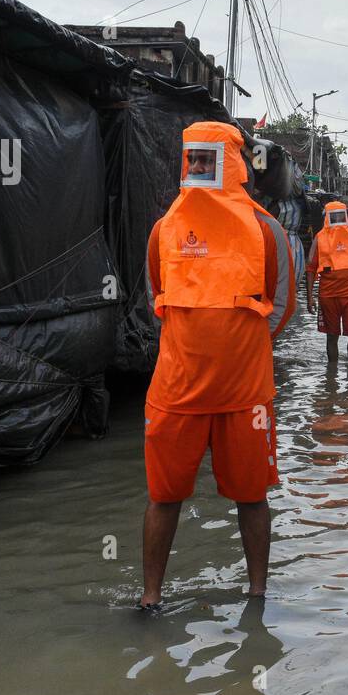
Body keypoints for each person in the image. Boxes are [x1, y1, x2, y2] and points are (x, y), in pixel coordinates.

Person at [140, 120, 295, 610]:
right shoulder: (164, 231)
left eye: (210, 158)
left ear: (234, 162)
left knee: (252, 496)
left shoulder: (266, 230)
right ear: (186, 162)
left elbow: (284, 303)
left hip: (245, 394)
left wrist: (238, 346)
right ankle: (150, 597)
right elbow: (156, 298)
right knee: (164, 496)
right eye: (195, 158)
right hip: (176, 390)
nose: (201, 167)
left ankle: (257, 594)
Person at [306, 201, 348, 364]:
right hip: (328, 295)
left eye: (339, 215)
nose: (336, 219)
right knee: (332, 336)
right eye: (333, 215)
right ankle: (333, 374)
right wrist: (310, 297)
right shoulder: (320, 238)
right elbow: (311, 269)